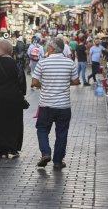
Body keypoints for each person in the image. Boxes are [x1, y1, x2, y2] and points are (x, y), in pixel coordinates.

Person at [31, 37, 80, 169]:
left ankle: (46, 152)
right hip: (64, 106)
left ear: (52, 48)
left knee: (42, 129)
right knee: (62, 133)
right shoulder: (69, 63)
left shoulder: (43, 63)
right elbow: (76, 81)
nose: (47, 48)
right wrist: (64, 82)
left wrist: (45, 84)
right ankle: (58, 161)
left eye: (48, 46)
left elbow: (34, 83)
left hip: (46, 105)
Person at [0, 39, 27, 158]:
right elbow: (22, 83)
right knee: (14, 122)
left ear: (0, 50)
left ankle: (0, 149)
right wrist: (21, 95)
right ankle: (13, 148)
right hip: (14, 98)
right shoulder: (17, 64)